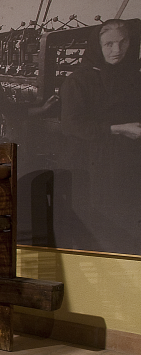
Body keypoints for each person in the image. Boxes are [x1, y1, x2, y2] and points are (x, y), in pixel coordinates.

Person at [59, 19, 141, 251]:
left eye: (123, 42)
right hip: (93, 165)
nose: (117, 50)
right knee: (99, 228)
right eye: (109, 44)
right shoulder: (78, 80)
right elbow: (71, 126)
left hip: (126, 164)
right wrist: (119, 128)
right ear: (97, 45)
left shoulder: (133, 76)